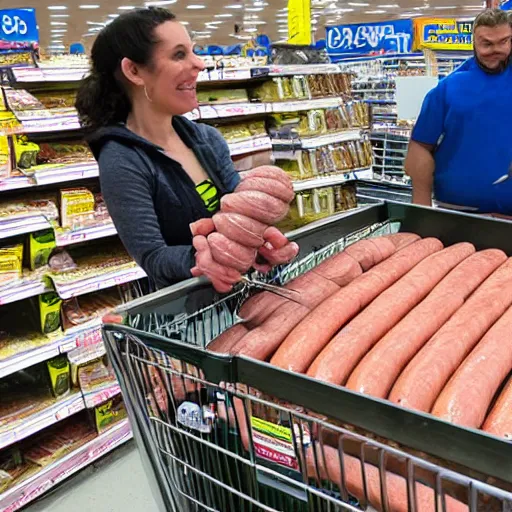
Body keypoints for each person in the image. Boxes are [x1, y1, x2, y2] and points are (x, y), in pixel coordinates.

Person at [75, 8, 295, 292]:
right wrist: (201, 260)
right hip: (186, 317)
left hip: (242, 298)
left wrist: (263, 241)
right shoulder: (122, 159)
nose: (200, 64)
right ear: (134, 71)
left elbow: (239, 216)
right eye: (179, 55)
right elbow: (153, 257)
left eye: (194, 51)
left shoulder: (207, 139)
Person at [405, 9, 512, 215]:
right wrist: (421, 207)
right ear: (473, 43)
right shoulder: (448, 89)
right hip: (459, 213)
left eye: (504, 42)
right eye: (487, 44)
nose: (496, 50)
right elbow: (420, 146)